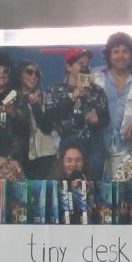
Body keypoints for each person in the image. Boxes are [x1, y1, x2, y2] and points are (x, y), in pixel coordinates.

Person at [44, 48, 109, 180]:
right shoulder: (56, 90)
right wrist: (71, 100)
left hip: (93, 143)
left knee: (93, 181)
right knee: (67, 181)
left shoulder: (97, 91)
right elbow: (50, 117)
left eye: (87, 64)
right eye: (80, 63)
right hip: (69, 141)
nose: (85, 67)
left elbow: (106, 118)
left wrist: (96, 120)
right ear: (69, 67)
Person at [91, 32, 132, 179]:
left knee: (121, 187)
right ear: (109, 55)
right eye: (116, 51)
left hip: (125, 144)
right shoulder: (95, 76)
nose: (121, 56)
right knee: (93, 184)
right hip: (96, 141)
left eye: (125, 51)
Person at [15, 60, 57, 179]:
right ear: (20, 75)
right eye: (29, 72)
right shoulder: (12, 99)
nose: (34, 76)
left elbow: (47, 127)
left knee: (40, 188)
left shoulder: (45, 98)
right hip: (19, 154)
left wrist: (35, 106)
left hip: (43, 154)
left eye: (36, 73)